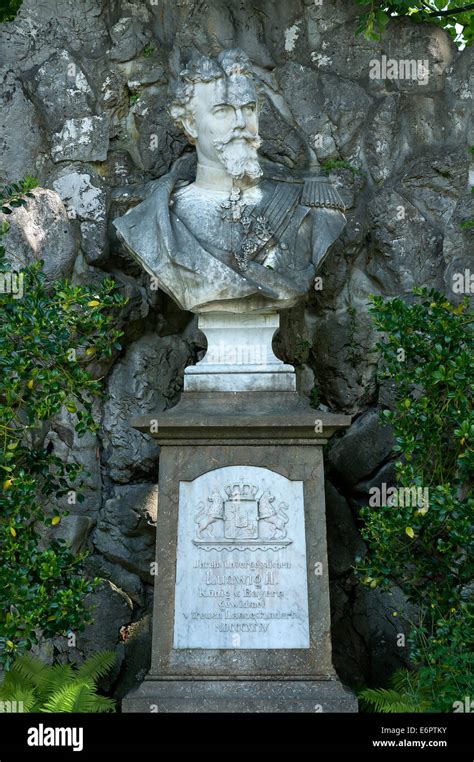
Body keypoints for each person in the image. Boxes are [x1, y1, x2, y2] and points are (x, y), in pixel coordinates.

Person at [113, 49, 346, 314]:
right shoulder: (150, 220)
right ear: (190, 124)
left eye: (248, 109)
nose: (240, 123)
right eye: (223, 111)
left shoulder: (309, 205)